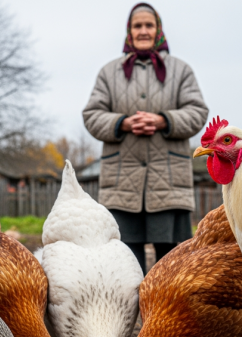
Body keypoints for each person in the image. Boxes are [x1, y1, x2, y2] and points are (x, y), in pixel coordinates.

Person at [83, 2, 209, 274]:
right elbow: (92, 115)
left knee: (172, 262)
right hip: (122, 183)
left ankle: (168, 317)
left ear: (158, 30)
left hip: (168, 180)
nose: (143, 31)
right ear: (129, 31)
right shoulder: (109, 72)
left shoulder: (180, 70)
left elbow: (198, 112)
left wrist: (163, 120)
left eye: (148, 25)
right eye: (137, 26)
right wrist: (123, 123)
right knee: (126, 260)